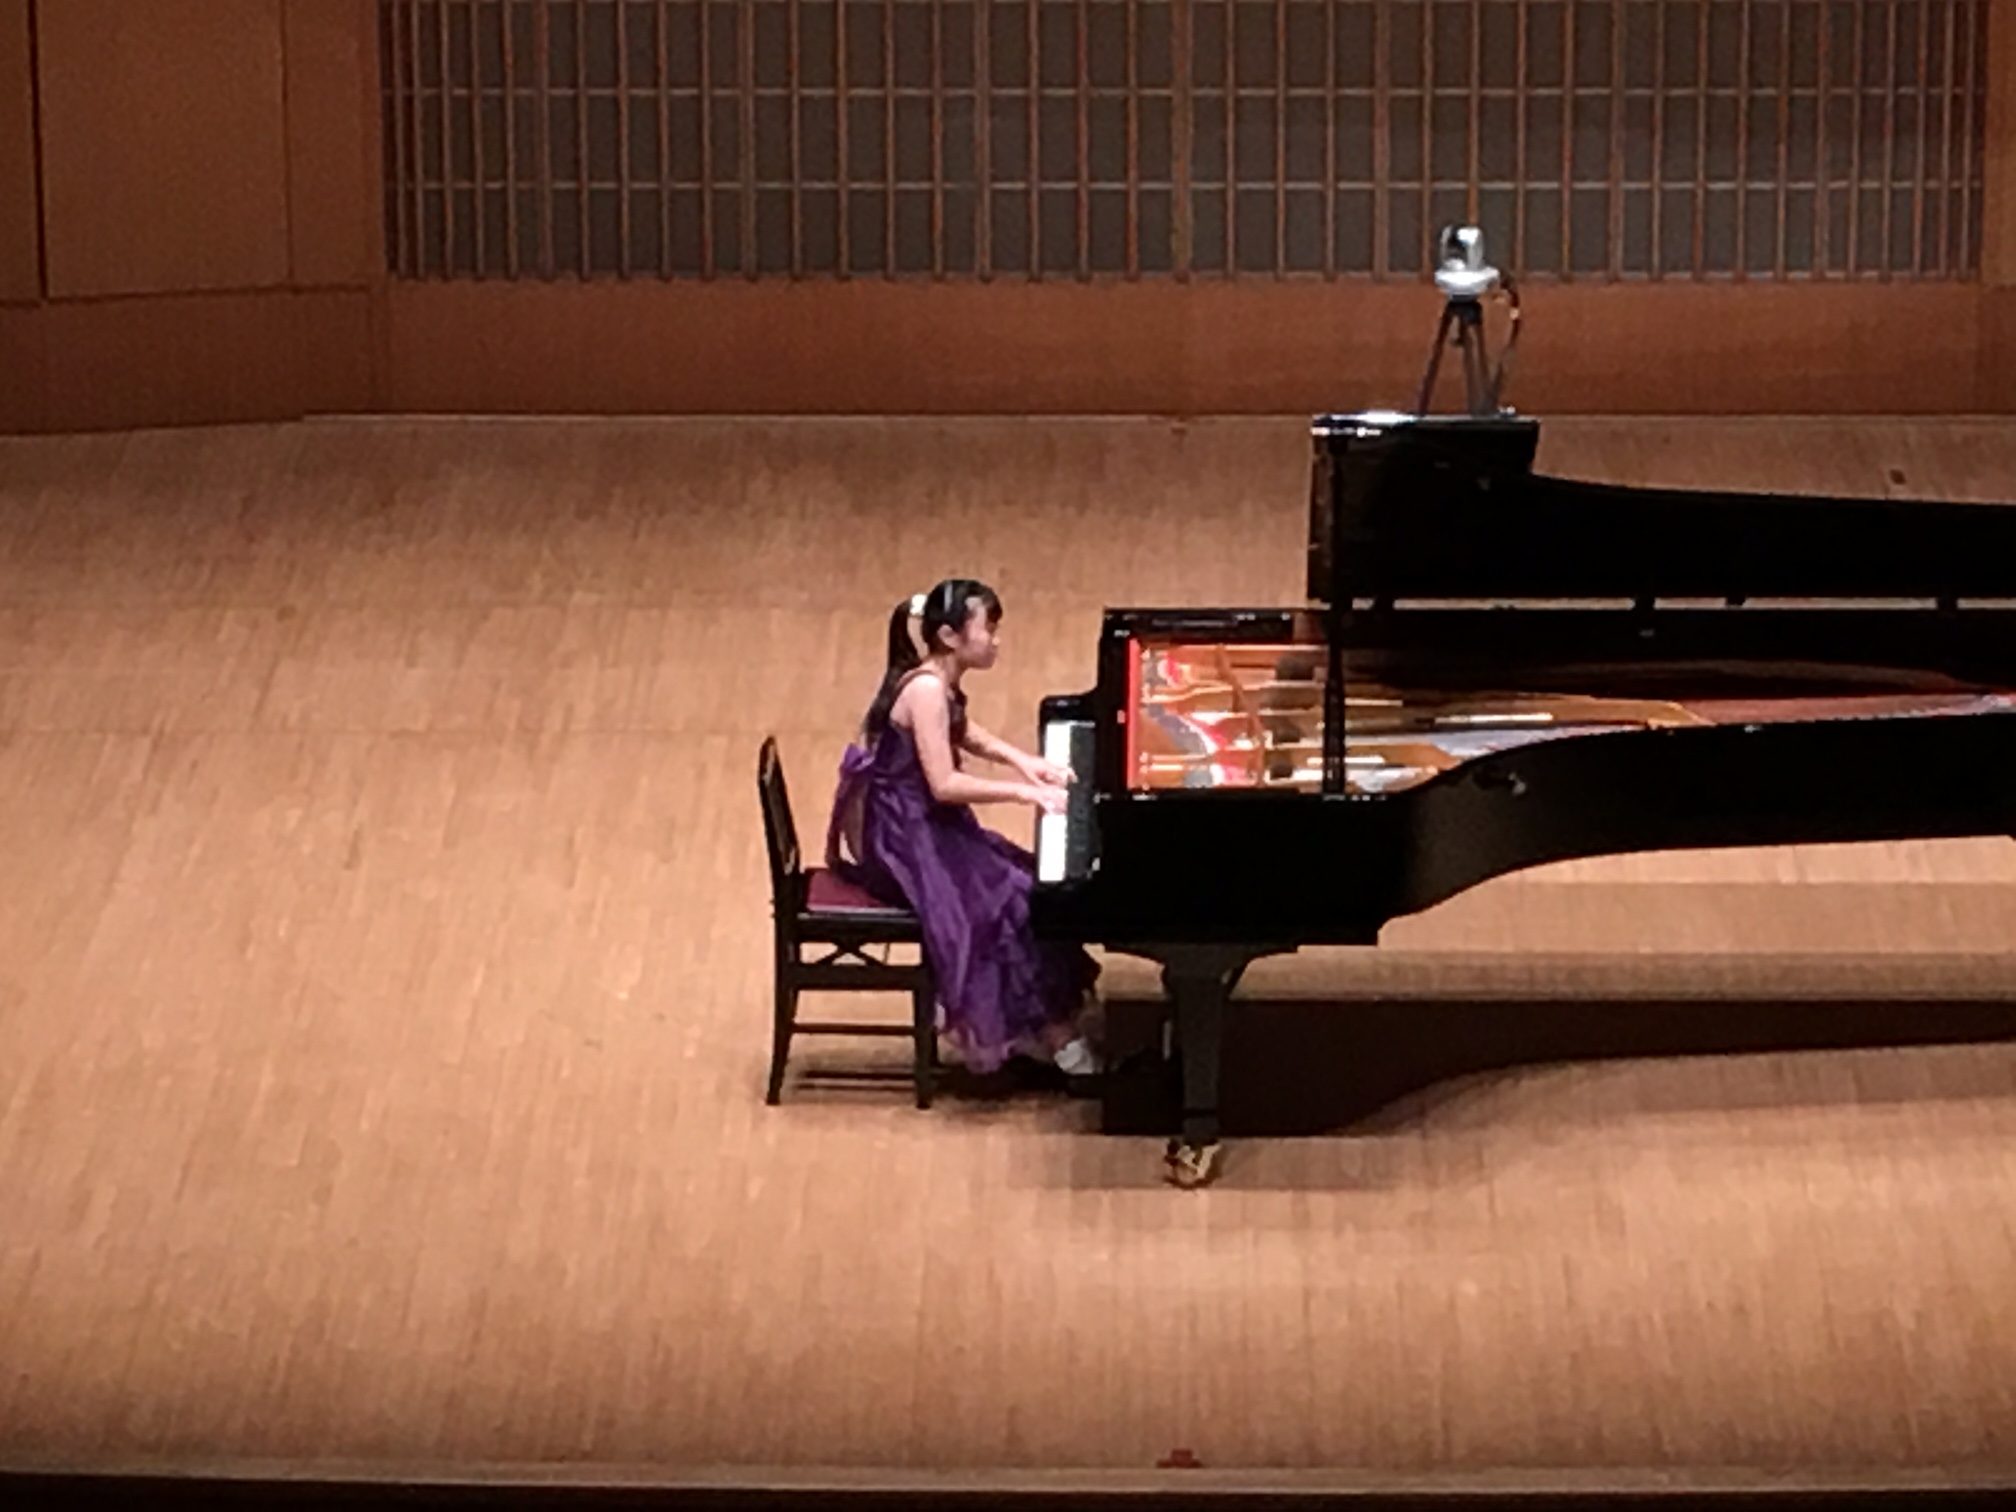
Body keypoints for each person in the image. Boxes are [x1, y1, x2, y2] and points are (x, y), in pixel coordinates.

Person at [827, 578, 1101, 1078]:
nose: (996, 639)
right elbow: (945, 785)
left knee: (1028, 882)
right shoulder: (926, 690)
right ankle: (1054, 1038)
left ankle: (1041, 1027)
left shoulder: (937, 680)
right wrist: (1025, 793)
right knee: (1007, 905)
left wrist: (1024, 762)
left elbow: (962, 730)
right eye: (988, 629)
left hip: (925, 825)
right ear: (950, 637)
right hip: (905, 840)